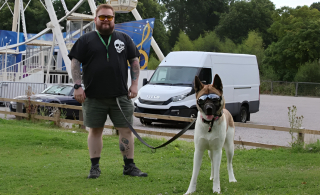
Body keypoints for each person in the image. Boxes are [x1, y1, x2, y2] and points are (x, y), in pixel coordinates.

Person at [68, 4, 147, 179]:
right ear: (95, 19)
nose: (105, 20)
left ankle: (129, 167)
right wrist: (77, 86)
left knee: (126, 131)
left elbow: (134, 61)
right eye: (102, 17)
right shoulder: (85, 40)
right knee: (95, 131)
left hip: (120, 96)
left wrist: (134, 85)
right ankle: (94, 167)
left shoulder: (124, 38)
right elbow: (75, 63)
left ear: (114, 19)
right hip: (94, 96)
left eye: (109, 17)